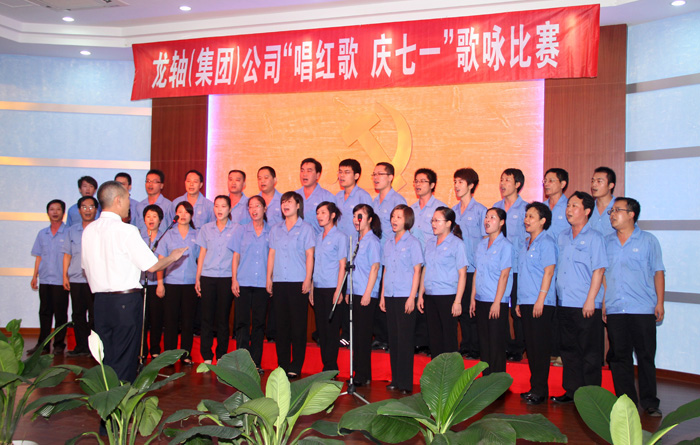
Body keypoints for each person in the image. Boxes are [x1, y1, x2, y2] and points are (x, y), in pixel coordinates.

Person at [81, 181, 186, 382]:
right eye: (128, 198)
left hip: (100, 302)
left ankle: (107, 398)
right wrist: (173, 257)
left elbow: (86, 268)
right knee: (125, 358)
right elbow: (152, 266)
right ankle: (122, 399)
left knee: (106, 357)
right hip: (125, 302)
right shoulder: (127, 230)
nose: (130, 204)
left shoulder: (89, 230)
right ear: (118, 200)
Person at [604, 197, 665, 417]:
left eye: (617, 210)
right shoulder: (606, 242)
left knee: (645, 356)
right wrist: (604, 301)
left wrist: (660, 302)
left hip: (642, 308)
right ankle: (626, 402)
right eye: (611, 211)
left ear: (631, 214)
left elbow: (658, 272)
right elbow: (603, 275)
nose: (612, 214)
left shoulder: (648, 241)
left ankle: (650, 402)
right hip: (615, 308)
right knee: (620, 358)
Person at [551, 191, 607, 404]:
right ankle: (572, 391)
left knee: (589, 353)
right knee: (569, 351)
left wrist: (591, 300)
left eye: (574, 206)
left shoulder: (595, 237)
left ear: (587, 211)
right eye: (568, 206)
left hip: (586, 304)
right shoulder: (562, 236)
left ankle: (592, 397)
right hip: (565, 302)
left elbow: (599, 270)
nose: (569, 210)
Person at [266, 191, 315, 378]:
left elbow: (310, 255)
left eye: (289, 202)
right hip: (279, 281)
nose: (285, 205)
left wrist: (308, 278)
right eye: (283, 202)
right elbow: (272, 254)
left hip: (298, 282)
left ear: (298, 205)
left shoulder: (306, 228)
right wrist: (268, 277)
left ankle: (296, 365)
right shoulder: (275, 229)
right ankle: (283, 364)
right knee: (281, 326)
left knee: (298, 326)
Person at [516, 202, 557, 405]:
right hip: (526, 301)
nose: (527, 220)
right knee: (531, 347)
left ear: (543, 221)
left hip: (541, 302)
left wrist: (541, 299)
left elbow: (549, 272)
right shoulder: (525, 242)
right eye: (526, 216)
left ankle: (540, 391)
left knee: (540, 348)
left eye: (531, 216)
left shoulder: (546, 242)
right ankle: (535, 388)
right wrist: (518, 301)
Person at [380, 205, 423, 394]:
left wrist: (412, 297)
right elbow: (385, 270)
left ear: (407, 220)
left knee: (405, 340)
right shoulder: (389, 242)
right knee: (394, 339)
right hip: (390, 294)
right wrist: (382, 295)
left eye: (398, 217)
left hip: (405, 295)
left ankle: (405, 383)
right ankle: (396, 379)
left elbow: (417, 271)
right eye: (393, 216)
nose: (394, 220)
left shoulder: (413, 243)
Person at [418, 206, 468, 359]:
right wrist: (420, 294)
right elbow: (425, 269)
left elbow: (462, 274)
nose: (433, 224)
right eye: (432, 220)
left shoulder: (457, 244)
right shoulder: (430, 243)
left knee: (448, 337)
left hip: (448, 296)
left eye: (437, 220)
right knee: (434, 337)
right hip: (430, 295)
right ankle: (437, 372)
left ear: (448, 223)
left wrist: (458, 301)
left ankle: (451, 372)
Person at [469, 207, 513, 375]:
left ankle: (497, 383)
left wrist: (497, 302)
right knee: (484, 343)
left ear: (501, 222)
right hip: (480, 299)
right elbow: (477, 272)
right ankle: (486, 381)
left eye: (492, 217)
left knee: (496, 344)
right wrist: (472, 297)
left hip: (496, 302)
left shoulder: (506, 246)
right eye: (486, 217)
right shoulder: (481, 245)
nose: (487, 220)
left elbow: (504, 275)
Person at [155, 201, 200, 365]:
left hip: (190, 283)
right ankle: (169, 356)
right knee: (170, 320)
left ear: (191, 215)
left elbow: (200, 260)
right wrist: (160, 283)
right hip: (171, 282)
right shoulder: (168, 234)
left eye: (186, 212)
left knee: (188, 321)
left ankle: (186, 354)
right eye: (179, 212)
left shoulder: (197, 235)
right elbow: (161, 261)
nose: (183, 215)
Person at [229, 195, 270, 371]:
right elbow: (236, 256)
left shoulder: (271, 231)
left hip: (262, 284)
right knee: (242, 323)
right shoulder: (241, 230)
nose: (254, 210)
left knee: (259, 324)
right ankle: (242, 364)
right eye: (251, 207)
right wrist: (234, 279)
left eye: (257, 206)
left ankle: (255, 363)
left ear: (264, 209)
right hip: (243, 282)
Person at [195, 195, 237, 364]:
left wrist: (235, 279)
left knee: (222, 319)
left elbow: (237, 255)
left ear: (230, 209)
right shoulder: (206, 228)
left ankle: (221, 355)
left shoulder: (236, 229)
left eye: (223, 206)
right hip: (207, 276)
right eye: (217, 206)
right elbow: (202, 253)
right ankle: (206, 355)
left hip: (226, 277)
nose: (220, 210)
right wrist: (198, 278)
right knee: (206, 318)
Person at [493, 168, 528, 362]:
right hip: (498, 269)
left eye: (507, 180)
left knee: (517, 309)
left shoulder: (526, 209)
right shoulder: (496, 208)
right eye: (501, 179)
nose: (502, 183)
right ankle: (503, 345)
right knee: (499, 307)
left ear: (517, 184)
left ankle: (518, 348)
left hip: (517, 269)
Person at [371, 162, 406, 351]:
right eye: (374, 174)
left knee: (390, 298)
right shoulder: (374, 201)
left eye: (380, 174)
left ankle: (391, 339)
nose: (376, 178)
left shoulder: (397, 200)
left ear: (391, 177)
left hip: (392, 256)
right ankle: (380, 337)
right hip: (375, 255)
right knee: (377, 295)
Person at [452, 168, 486, 360]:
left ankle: (476, 348)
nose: (457, 185)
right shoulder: (453, 211)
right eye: (455, 181)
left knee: (473, 310)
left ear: (471, 185)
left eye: (461, 182)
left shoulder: (481, 211)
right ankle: (465, 346)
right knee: (462, 310)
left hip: (474, 269)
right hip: (457, 270)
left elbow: (485, 241)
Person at [311, 201, 348, 371]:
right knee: (322, 329)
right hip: (318, 286)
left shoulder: (340, 237)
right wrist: (312, 289)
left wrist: (339, 290)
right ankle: (326, 365)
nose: (319, 216)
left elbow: (342, 265)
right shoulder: (318, 237)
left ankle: (331, 367)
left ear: (333, 215)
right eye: (318, 213)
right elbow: (316, 264)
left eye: (323, 213)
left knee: (332, 329)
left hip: (333, 287)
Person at [28, 199, 69, 355]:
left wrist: (66, 276)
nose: (55, 212)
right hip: (45, 279)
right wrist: (34, 276)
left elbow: (70, 256)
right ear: (48, 212)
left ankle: (59, 344)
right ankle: (43, 345)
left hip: (61, 280)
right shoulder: (42, 233)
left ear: (63, 212)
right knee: (44, 312)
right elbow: (39, 256)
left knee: (60, 314)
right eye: (52, 209)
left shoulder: (68, 232)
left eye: (58, 209)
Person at [347, 204, 382, 386]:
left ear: (369, 219)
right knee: (355, 335)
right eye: (354, 216)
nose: (356, 220)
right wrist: (348, 291)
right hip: (355, 291)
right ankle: (357, 371)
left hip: (366, 293)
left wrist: (368, 293)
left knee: (363, 335)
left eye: (360, 216)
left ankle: (363, 374)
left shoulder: (372, 241)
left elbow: (375, 268)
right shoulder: (355, 240)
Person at [62, 195, 98, 357]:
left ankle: (94, 348)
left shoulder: (99, 230)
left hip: (95, 279)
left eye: (91, 207)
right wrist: (64, 276)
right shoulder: (71, 231)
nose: (87, 210)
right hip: (76, 278)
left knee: (94, 314)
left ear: (96, 210)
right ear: (79, 210)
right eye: (84, 207)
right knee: (77, 314)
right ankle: (81, 346)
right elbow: (67, 255)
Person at [140, 204, 164, 359]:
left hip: (157, 283)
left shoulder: (164, 236)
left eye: (154, 216)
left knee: (156, 318)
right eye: (148, 216)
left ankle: (155, 349)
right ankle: (142, 350)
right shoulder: (138, 236)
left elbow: (163, 262)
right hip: (141, 283)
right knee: (142, 319)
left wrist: (161, 284)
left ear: (160, 220)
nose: (151, 219)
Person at [335, 159, 373, 242]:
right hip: (340, 244)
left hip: (356, 244)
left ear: (356, 176)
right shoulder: (337, 196)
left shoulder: (363, 196)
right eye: (340, 172)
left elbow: (369, 224)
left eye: (347, 172)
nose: (342, 175)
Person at [296, 158, 335, 235]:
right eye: (302, 170)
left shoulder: (327, 197)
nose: (304, 174)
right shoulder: (294, 196)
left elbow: (333, 225)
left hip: (318, 240)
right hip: (296, 240)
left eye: (309, 171)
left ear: (317, 175)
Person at [410, 168, 445, 249]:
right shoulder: (411, 209)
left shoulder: (441, 209)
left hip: (432, 254)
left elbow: (446, 236)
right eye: (416, 181)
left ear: (432, 185)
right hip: (414, 255)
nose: (418, 184)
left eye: (422, 181)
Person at [590, 166, 617, 237]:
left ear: (610, 185)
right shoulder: (588, 207)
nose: (594, 184)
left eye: (599, 181)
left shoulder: (620, 208)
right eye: (593, 181)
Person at [543, 168, 569, 239]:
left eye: (550, 181)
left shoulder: (569, 207)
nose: (546, 184)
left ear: (562, 184)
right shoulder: (541, 207)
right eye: (545, 181)